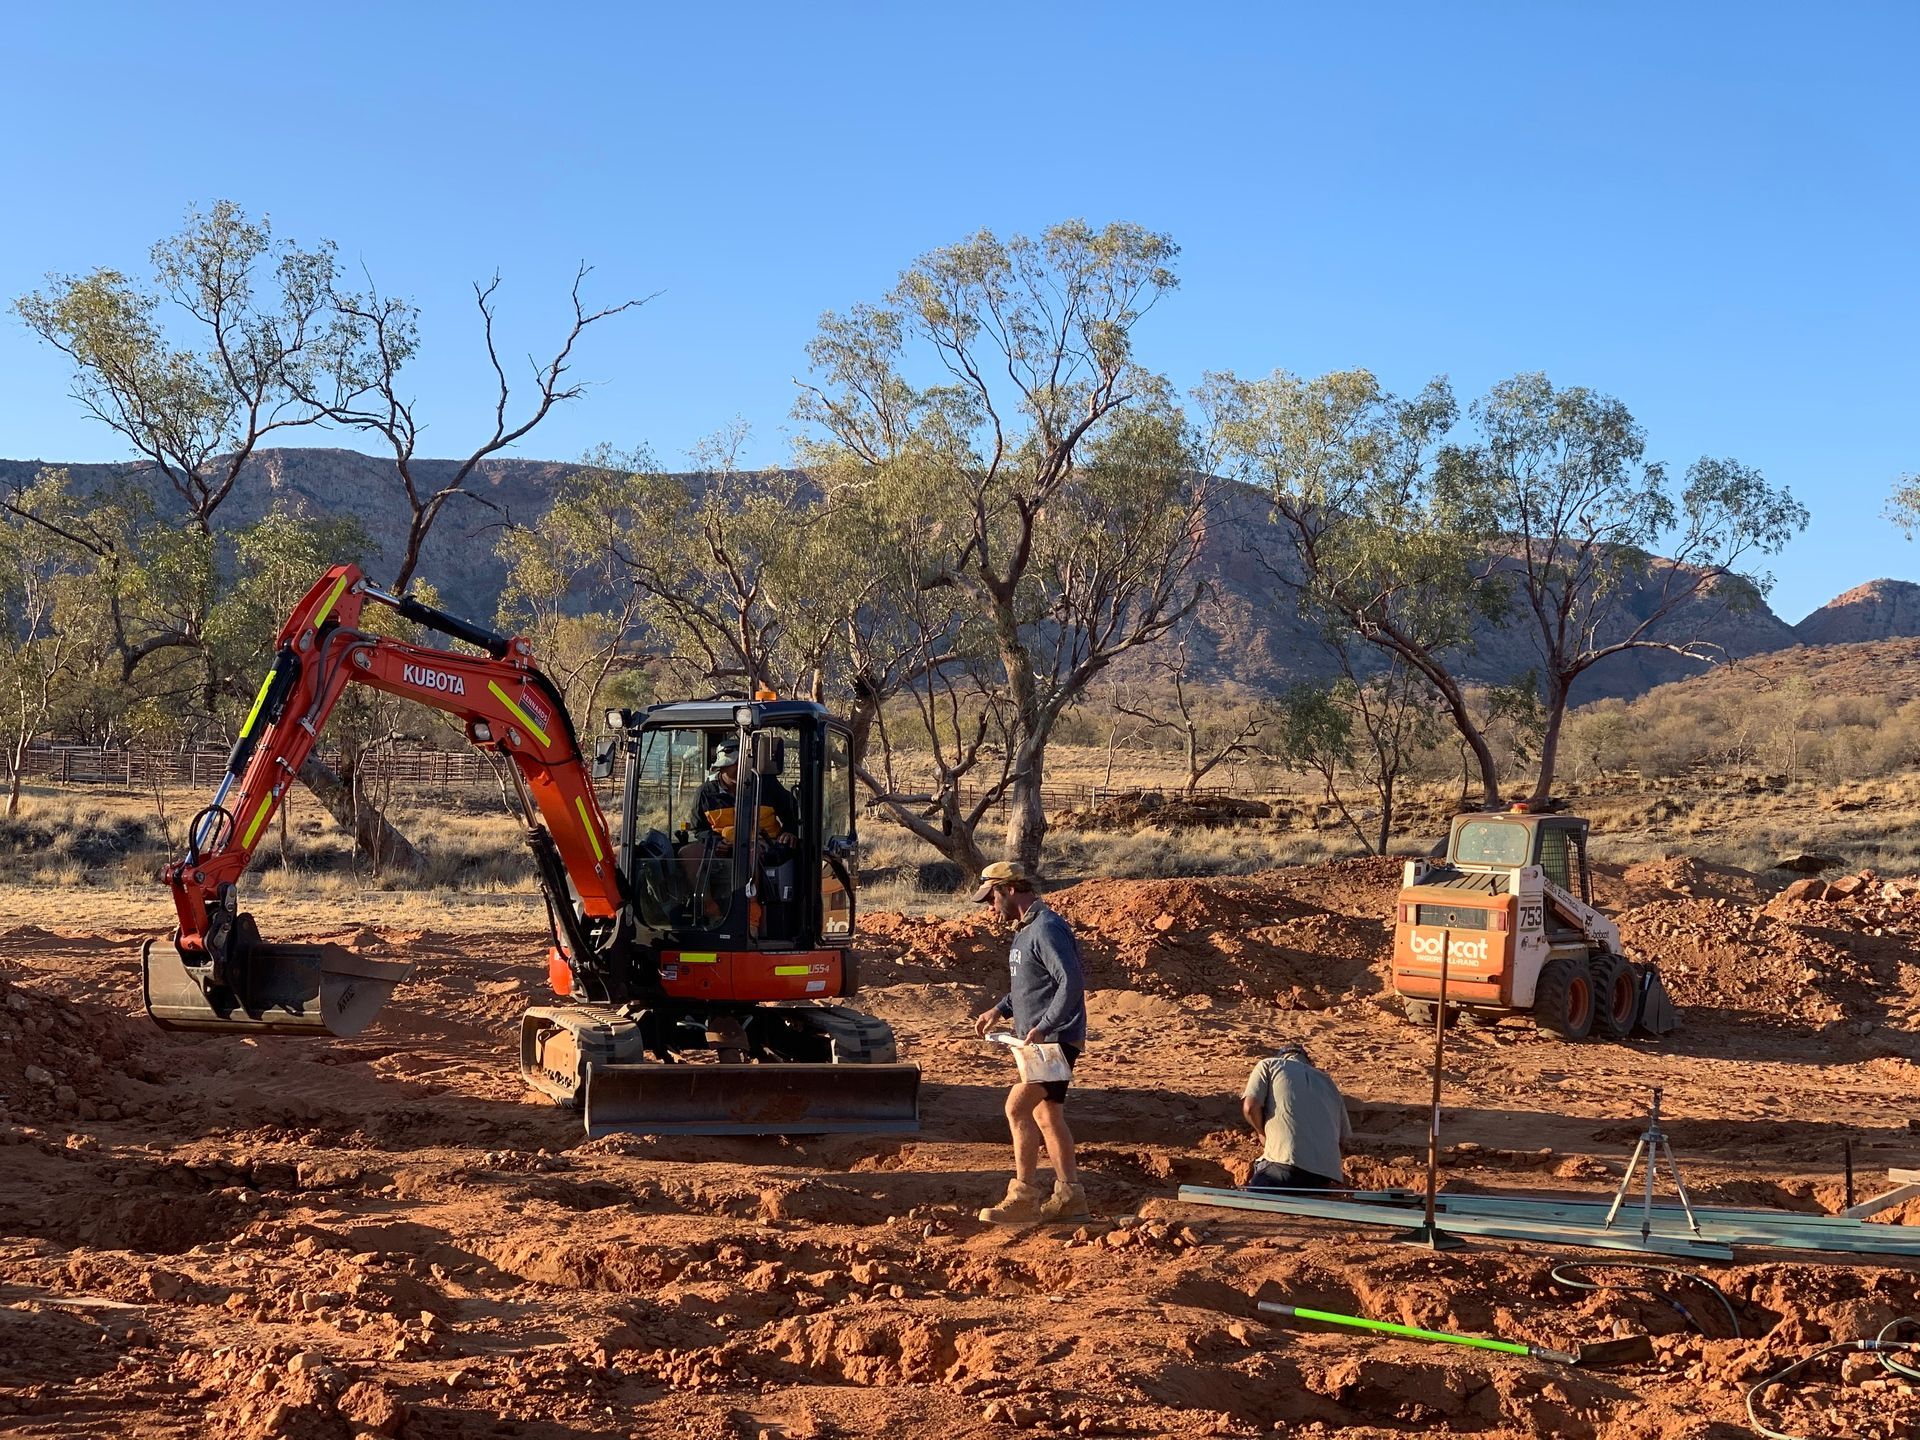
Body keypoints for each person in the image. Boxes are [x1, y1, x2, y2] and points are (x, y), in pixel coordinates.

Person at [970, 859, 1089, 1223]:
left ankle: (1023, 1196)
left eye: (991, 899)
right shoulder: (1026, 931)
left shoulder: (1047, 928)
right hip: (1041, 1039)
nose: (991, 908)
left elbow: (1070, 982)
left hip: (1053, 1040)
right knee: (1046, 1114)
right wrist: (1000, 1010)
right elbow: (1032, 985)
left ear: (1008, 890)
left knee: (1017, 1108)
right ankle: (1071, 1198)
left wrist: (1045, 1024)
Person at [1241, 1042, 1351, 1191]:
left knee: (1255, 1200)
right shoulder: (1328, 1082)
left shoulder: (1269, 1065)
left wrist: (1261, 1133)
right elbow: (1343, 1140)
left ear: (1282, 1056)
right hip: (1324, 1179)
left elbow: (1250, 1108)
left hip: (1284, 1168)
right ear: (1308, 1061)